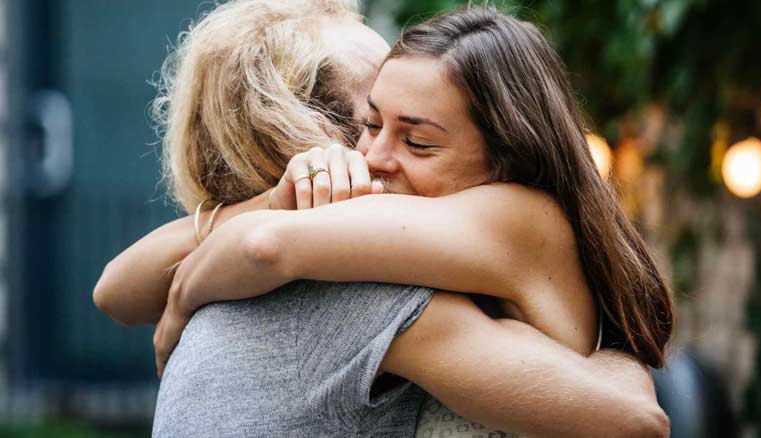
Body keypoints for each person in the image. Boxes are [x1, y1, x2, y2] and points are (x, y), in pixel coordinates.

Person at [94, 2, 671, 437]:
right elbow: (118, 287)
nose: (372, 157)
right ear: (304, 129)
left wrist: (182, 298)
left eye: (416, 138)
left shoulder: (505, 217)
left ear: (507, 153)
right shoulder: (357, 274)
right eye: (370, 121)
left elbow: (265, 246)